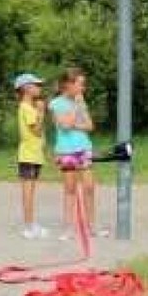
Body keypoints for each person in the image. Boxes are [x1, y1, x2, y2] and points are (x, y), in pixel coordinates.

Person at [48, 69, 108, 241]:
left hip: (84, 148)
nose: (83, 88)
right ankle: (68, 228)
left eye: (83, 84)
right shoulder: (56, 103)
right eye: (80, 84)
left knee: (89, 187)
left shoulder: (81, 102)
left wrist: (75, 118)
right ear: (69, 84)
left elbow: (90, 126)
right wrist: (76, 109)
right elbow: (65, 126)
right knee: (70, 189)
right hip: (66, 151)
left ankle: (93, 226)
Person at [14, 73, 48, 239]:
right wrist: (41, 112)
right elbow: (36, 130)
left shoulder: (30, 107)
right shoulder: (26, 108)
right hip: (28, 155)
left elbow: (39, 134)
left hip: (34, 155)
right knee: (28, 192)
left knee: (31, 191)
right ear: (27, 88)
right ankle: (28, 227)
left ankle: (31, 224)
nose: (39, 88)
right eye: (37, 85)